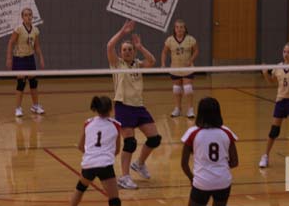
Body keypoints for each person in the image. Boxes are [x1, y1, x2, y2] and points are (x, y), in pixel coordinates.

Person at [107, 20, 161, 189]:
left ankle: (139, 163)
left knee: (155, 138)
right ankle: (124, 177)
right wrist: (122, 32)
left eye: (130, 49)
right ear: (121, 53)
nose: (128, 52)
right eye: (125, 50)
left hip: (139, 106)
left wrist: (140, 46)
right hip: (123, 106)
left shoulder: (138, 64)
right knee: (130, 143)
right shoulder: (117, 64)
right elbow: (109, 46)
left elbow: (152, 61)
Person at [181, 97, 238, 206]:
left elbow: (184, 164)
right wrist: (219, 167)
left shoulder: (192, 133)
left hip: (201, 182)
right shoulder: (227, 132)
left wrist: (191, 178)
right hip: (223, 181)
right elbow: (234, 162)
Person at [70, 96, 121, 206]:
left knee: (80, 189)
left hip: (89, 164)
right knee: (114, 199)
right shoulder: (116, 125)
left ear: (96, 109)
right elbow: (117, 150)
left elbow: (80, 146)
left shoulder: (88, 123)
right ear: (111, 109)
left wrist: (92, 153)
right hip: (105, 165)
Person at [6, 8, 45, 117]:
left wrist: (41, 58)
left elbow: (37, 46)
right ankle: (18, 108)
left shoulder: (35, 30)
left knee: (33, 82)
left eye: (30, 15)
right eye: (26, 15)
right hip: (19, 59)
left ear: (32, 16)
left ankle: (35, 105)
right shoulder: (18, 29)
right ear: (22, 17)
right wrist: (9, 58)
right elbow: (10, 43)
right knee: (21, 83)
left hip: (30, 58)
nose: (28, 17)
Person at [161, 19, 199, 118]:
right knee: (176, 89)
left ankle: (190, 109)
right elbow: (164, 52)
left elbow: (196, 51)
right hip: (175, 68)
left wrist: (190, 60)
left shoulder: (190, 39)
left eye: (181, 27)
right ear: (174, 29)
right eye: (177, 27)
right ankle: (177, 108)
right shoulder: (169, 40)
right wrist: (163, 64)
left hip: (187, 68)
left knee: (188, 88)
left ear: (185, 28)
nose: (179, 29)